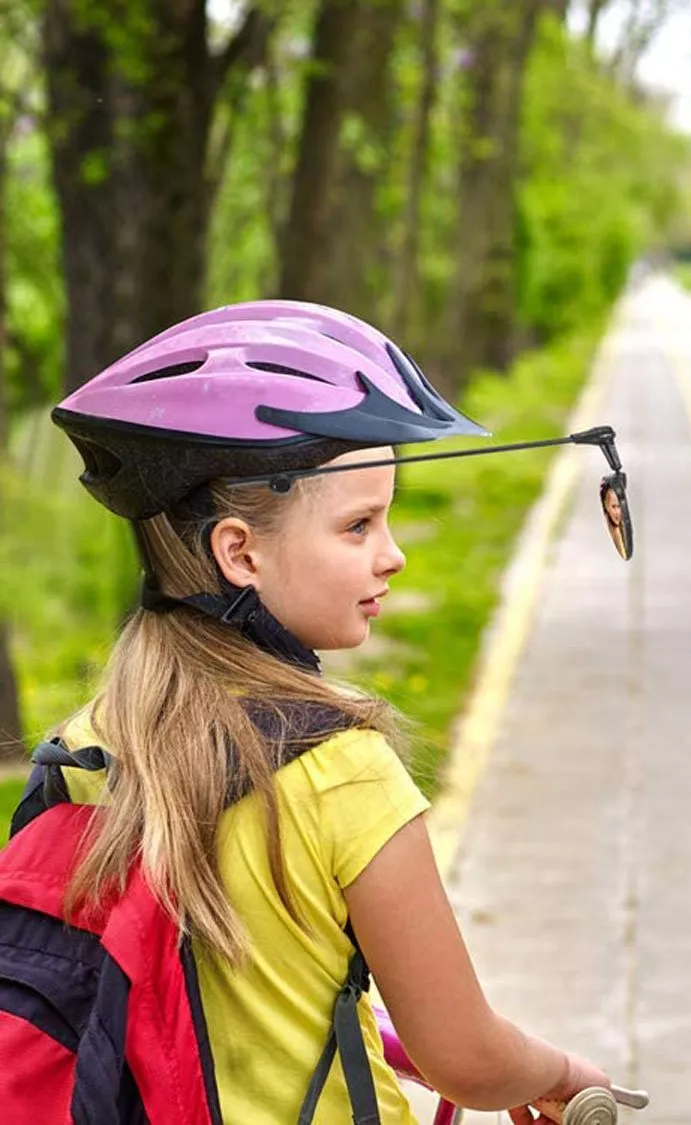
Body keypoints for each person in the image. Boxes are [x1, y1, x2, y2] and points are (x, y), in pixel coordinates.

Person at [43, 300, 611, 1124]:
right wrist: (555, 1068)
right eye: (359, 525)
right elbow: (467, 1055)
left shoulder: (88, 745)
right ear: (240, 551)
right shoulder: (341, 768)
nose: (394, 553)